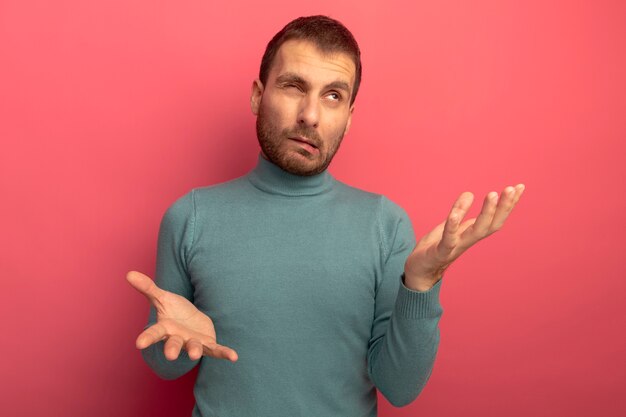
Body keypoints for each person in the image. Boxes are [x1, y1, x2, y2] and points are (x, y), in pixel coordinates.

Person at [127, 15, 524, 417]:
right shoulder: (190, 217)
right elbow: (164, 364)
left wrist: (421, 284)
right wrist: (177, 347)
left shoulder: (385, 226)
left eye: (333, 96)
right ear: (257, 96)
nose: (310, 116)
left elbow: (400, 388)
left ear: (349, 117)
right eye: (294, 86)